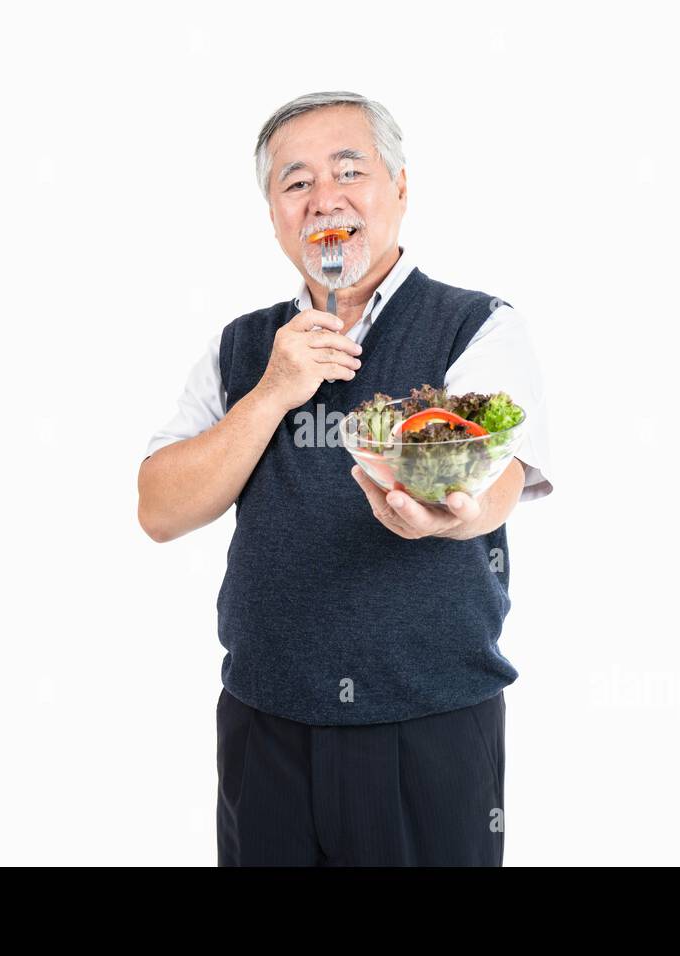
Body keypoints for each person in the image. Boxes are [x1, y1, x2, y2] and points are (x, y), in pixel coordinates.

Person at [138, 91, 553, 865]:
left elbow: (497, 481)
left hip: (428, 727)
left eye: (349, 171)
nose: (324, 198)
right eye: (295, 183)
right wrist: (272, 392)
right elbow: (159, 508)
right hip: (264, 725)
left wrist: (448, 516)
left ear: (399, 187)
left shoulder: (477, 324)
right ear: (272, 215)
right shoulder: (242, 346)